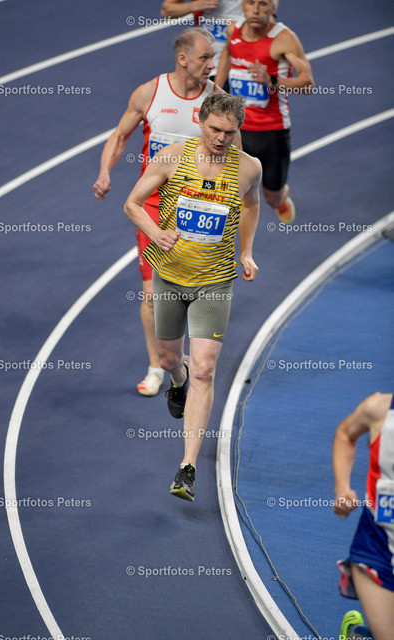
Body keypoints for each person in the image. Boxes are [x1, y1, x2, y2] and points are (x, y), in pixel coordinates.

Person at [124, 93, 261, 502]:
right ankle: (176, 379)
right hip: (169, 277)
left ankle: (187, 468)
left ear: (238, 130)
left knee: (205, 369)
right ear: (200, 121)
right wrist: (156, 232)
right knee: (171, 359)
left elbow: (251, 206)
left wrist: (246, 252)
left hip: (214, 282)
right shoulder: (171, 157)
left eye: (229, 132)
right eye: (215, 129)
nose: (221, 138)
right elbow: (132, 204)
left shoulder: (249, 168)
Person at [93, 27, 230, 397]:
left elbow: (233, 153)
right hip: (153, 205)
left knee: (194, 285)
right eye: (204, 57)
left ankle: (189, 358)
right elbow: (119, 136)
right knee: (152, 293)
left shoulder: (216, 99)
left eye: (213, 57)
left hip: (197, 205)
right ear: (182, 58)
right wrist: (105, 172)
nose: (212, 64)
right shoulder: (149, 93)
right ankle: (159, 365)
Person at [214, 0, 314, 223]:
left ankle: (281, 199)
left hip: (272, 131)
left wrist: (273, 80)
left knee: (272, 197)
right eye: (251, 3)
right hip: (237, 128)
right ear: (242, 5)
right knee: (229, 187)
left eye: (263, 4)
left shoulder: (284, 38)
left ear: (273, 8)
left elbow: (308, 83)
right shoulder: (233, 30)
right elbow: (227, 54)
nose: (256, 10)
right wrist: (216, 90)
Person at [333, 392, 394, 640]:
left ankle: (357, 635)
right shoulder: (378, 409)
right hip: (377, 550)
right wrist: (342, 489)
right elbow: (345, 434)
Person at [161, 0, 244, 83]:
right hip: (202, 67)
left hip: (237, 69)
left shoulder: (248, 6)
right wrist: (193, 6)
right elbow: (166, 11)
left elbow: (227, 52)